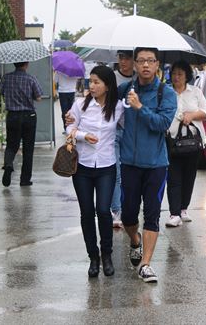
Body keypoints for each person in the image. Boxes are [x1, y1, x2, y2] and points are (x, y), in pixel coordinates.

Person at [118, 47, 177, 283]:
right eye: (140, 60)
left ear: (157, 64)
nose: (145, 65)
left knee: (152, 213)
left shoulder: (166, 93)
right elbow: (102, 106)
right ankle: (135, 240)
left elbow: (162, 124)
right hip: (129, 162)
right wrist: (75, 117)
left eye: (150, 61)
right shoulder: (125, 90)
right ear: (133, 64)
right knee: (128, 215)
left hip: (155, 164)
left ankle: (146, 264)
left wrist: (140, 108)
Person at [66, 65, 124, 277]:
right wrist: (82, 136)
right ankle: (93, 257)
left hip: (107, 166)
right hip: (82, 166)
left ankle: (107, 255)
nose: (92, 85)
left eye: (97, 82)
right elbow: (69, 128)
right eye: (90, 81)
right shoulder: (80, 105)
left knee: (103, 210)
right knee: (87, 212)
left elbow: (128, 125)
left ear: (108, 85)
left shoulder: (118, 107)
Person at [165, 60, 206, 227]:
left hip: (193, 141)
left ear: (187, 76)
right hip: (172, 141)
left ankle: (184, 209)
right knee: (173, 177)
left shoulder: (196, 92)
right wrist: (178, 116)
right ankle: (174, 213)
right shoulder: (166, 92)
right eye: (174, 73)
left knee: (189, 176)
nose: (176, 77)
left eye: (180, 74)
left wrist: (191, 116)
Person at [0, 61, 43, 187]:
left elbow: (3, 93)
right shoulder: (31, 78)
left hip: (12, 115)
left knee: (11, 145)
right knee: (28, 149)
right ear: (26, 64)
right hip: (29, 116)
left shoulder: (6, 78)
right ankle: (25, 180)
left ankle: (8, 165)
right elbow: (39, 97)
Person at [111, 50, 136, 228]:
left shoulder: (141, 79)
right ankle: (116, 210)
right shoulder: (112, 78)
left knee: (131, 174)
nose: (123, 62)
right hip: (115, 131)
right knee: (117, 173)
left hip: (134, 133)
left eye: (127, 58)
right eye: (121, 58)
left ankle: (131, 208)